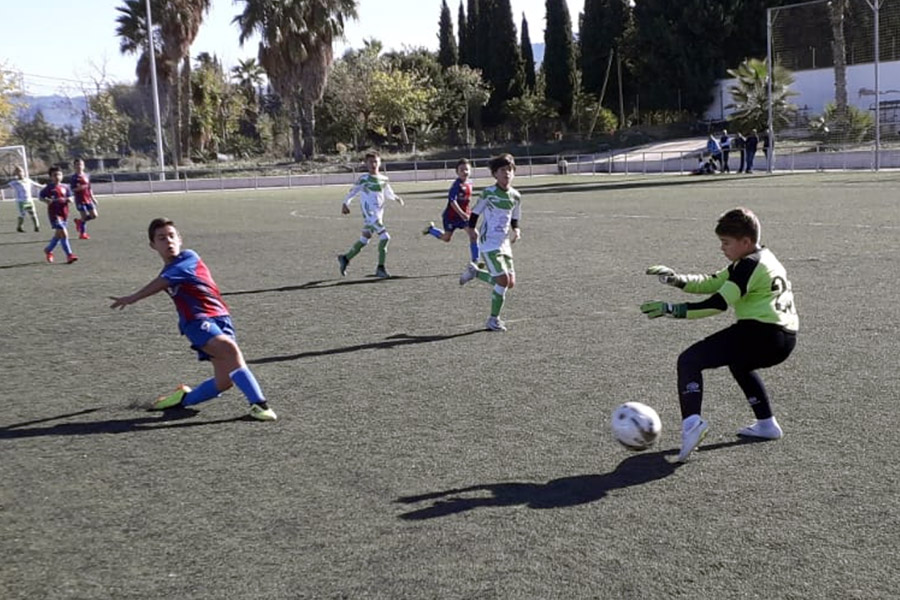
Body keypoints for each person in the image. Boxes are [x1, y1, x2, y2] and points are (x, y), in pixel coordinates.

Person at [640, 207, 798, 462]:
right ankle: (767, 424)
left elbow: (716, 304)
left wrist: (671, 310)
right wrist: (675, 280)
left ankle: (692, 425)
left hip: (762, 332)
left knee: (689, 360)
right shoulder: (760, 258)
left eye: (726, 243)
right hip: (784, 337)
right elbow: (711, 282)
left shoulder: (748, 266)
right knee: (740, 364)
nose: (722, 248)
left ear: (745, 241)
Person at [109, 217, 277, 421]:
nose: (168, 241)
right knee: (230, 350)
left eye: (171, 236)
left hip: (221, 318)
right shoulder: (167, 273)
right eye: (161, 238)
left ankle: (183, 400)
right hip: (196, 322)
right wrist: (133, 297)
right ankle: (259, 404)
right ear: (153, 245)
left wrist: (133, 297)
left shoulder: (189, 257)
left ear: (180, 239)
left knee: (224, 381)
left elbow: (164, 281)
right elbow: (163, 281)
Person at [459, 153, 522, 332]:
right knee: (502, 280)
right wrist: (471, 229)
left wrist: (516, 230)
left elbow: (514, 217)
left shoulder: (516, 196)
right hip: (489, 243)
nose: (507, 174)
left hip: (504, 244)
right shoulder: (489, 193)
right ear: (495, 174)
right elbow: (476, 212)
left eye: (510, 170)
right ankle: (493, 319)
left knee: (510, 282)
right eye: (502, 170)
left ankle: (475, 273)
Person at [337, 151, 404, 279]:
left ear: (379, 163)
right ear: (366, 164)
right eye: (370, 162)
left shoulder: (384, 179)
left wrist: (396, 198)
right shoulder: (364, 179)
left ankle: (345, 258)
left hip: (379, 213)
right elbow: (353, 191)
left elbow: (388, 192)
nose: (373, 164)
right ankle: (380, 268)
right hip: (370, 213)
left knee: (364, 239)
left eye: (375, 161)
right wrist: (345, 203)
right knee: (385, 237)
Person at [422, 158, 479, 266]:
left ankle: (475, 261)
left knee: (474, 234)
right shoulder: (456, 185)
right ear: (457, 172)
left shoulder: (470, 183)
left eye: (467, 169)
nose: (465, 172)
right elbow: (452, 201)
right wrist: (461, 213)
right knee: (446, 238)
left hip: (464, 216)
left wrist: (468, 212)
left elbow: (466, 201)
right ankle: (431, 230)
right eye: (462, 170)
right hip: (451, 217)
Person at [38, 166, 77, 264]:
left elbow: (71, 197)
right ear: (51, 177)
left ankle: (48, 249)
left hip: (64, 213)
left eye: (59, 174)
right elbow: (41, 197)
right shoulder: (49, 188)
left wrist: (70, 199)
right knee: (64, 232)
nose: (57, 177)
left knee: (58, 235)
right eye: (54, 175)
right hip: (54, 214)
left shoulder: (65, 187)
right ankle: (69, 255)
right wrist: (46, 200)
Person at [5, 166, 42, 232]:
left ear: (24, 172)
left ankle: (37, 227)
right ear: (16, 174)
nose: (20, 173)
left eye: (21, 171)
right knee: (22, 214)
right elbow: (5, 186)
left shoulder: (27, 180)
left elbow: (37, 185)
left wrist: (44, 186)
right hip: (21, 201)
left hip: (28, 200)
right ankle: (19, 227)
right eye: (18, 172)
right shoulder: (15, 182)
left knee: (32, 213)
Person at [70, 158, 98, 240]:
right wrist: (79, 188)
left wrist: (93, 197)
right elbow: (72, 189)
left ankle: (79, 221)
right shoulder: (74, 178)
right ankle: (82, 234)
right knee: (84, 216)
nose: (79, 166)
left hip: (88, 199)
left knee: (94, 215)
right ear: (74, 166)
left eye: (81, 164)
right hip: (80, 200)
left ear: (84, 166)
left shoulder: (87, 175)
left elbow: (89, 188)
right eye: (77, 165)